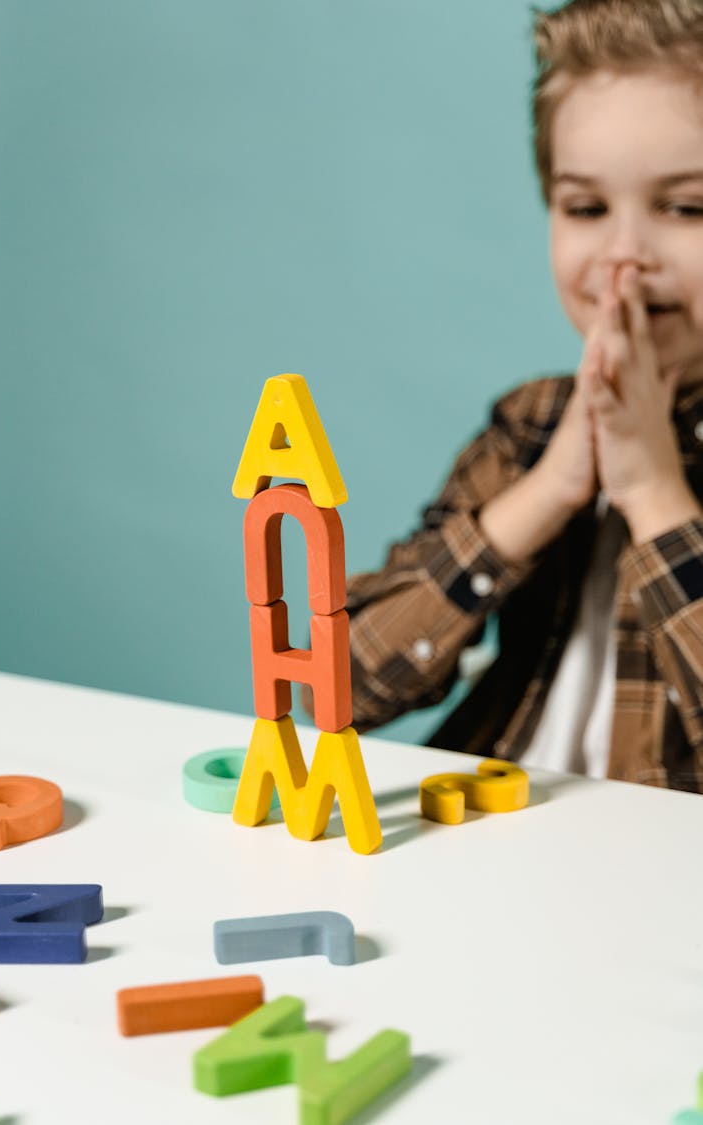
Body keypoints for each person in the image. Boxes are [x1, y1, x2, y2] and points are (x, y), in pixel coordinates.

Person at [325, 0, 703, 791]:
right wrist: (548, 491)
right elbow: (337, 686)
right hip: (495, 844)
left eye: (686, 207)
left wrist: (652, 490)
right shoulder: (531, 424)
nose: (623, 259)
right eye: (586, 208)